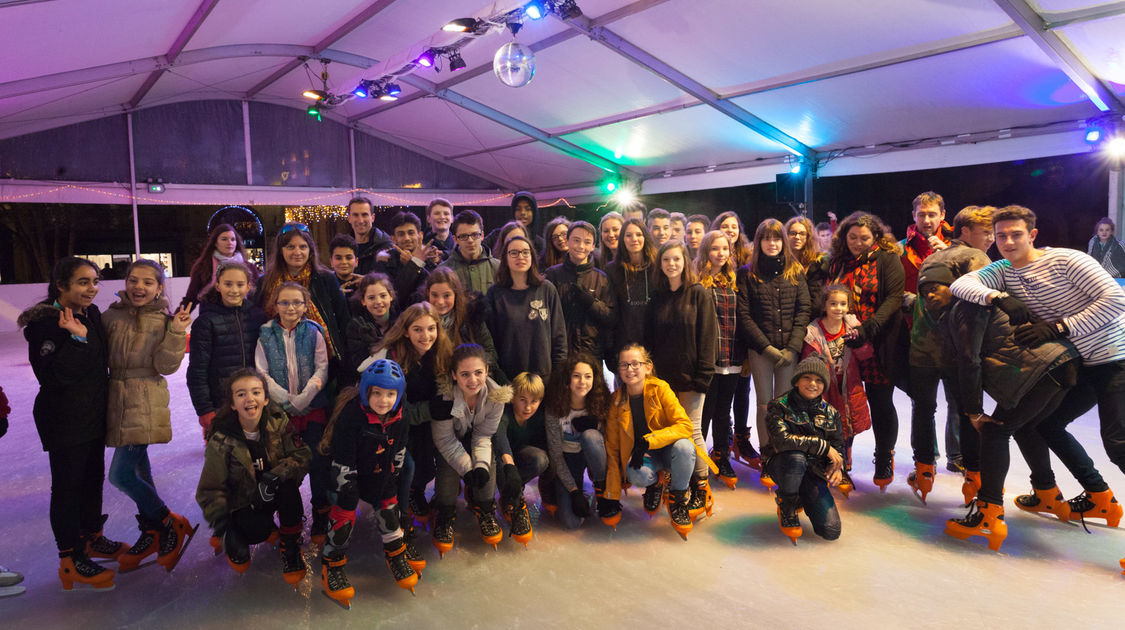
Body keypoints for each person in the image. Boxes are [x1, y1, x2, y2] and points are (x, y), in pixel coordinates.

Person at [950, 205, 1125, 546]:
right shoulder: (1003, 270)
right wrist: (997, 296)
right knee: (1043, 425)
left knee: (1117, 443)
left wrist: (1060, 327)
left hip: (1113, 357)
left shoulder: (1066, 260)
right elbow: (961, 285)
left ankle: (1090, 496)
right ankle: (1099, 497)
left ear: (1032, 235)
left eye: (1016, 235)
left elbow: (1116, 299)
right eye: (1001, 236)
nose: (1008, 242)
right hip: (1078, 362)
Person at [926, 266, 1103, 551]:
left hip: (1041, 369)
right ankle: (1049, 492)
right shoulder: (975, 307)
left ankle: (988, 515)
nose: (930, 294)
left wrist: (973, 410)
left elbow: (970, 361)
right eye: (924, 291)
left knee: (995, 432)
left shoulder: (966, 308)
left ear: (955, 287)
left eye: (936, 287)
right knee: (1028, 427)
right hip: (1063, 363)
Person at [19, 257, 124, 590]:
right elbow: (54, 376)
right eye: (82, 282)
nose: (91, 289)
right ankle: (70, 557)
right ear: (61, 286)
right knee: (68, 487)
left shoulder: (90, 314)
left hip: (93, 413)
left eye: (94, 282)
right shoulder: (44, 326)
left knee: (92, 479)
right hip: (64, 418)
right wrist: (77, 340)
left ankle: (92, 537)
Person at [103, 260, 196, 572]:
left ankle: (168, 521)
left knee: (121, 475)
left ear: (159, 288)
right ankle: (153, 531)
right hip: (115, 397)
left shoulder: (163, 320)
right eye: (133, 280)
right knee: (141, 473)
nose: (139, 287)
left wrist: (176, 332)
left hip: (145, 398)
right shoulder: (111, 316)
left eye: (147, 282)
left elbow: (167, 366)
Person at [317, 359, 420, 607]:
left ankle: (395, 553)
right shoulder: (351, 416)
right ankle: (332, 564)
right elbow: (342, 457)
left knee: (389, 504)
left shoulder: (401, 416)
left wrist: (392, 475)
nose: (384, 400)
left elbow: (399, 449)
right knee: (345, 511)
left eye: (390, 394)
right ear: (366, 392)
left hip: (378, 470)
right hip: (347, 471)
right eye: (377, 393)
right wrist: (347, 486)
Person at [195, 369, 311, 585]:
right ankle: (253, 529)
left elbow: (302, 455)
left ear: (266, 399)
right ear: (232, 404)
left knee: (288, 489)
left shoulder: (278, 421)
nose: (249, 398)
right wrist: (224, 530)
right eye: (241, 394)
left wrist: (274, 477)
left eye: (256, 392)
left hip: (272, 492)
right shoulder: (221, 440)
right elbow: (210, 490)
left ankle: (291, 542)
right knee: (254, 533)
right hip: (244, 501)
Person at [907, 205, 994, 491]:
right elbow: (979, 307)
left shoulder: (932, 258)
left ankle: (923, 471)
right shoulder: (976, 257)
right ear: (966, 232)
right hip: (958, 353)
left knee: (923, 410)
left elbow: (924, 303)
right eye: (987, 232)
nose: (992, 239)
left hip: (921, 352)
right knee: (970, 412)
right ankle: (974, 478)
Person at [360, 302, 453, 559]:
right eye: (418, 329)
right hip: (392, 428)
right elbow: (389, 409)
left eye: (431, 329)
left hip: (422, 426)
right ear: (405, 331)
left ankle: (415, 493)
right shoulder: (392, 358)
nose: (426, 336)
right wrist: (429, 410)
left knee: (426, 468)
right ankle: (398, 520)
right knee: (405, 467)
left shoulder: (440, 353)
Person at [827, 212, 906, 490]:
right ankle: (841, 462)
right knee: (842, 403)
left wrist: (868, 328)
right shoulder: (837, 262)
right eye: (852, 237)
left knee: (880, 400)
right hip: (841, 344)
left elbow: (894, 298)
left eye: (864, 238)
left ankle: (884, 455)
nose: (857, 243)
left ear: (875, 238)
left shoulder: (887, 259)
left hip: (877, 343)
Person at [645, 240, 718, 519]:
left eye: (676, 259)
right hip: (662, 381)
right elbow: (649, 340)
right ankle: (666, 480)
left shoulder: (698, 293)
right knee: (665, 431)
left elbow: (708, 337)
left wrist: (703, 377)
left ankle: (700, 485)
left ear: (685, 262)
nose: (671, 264)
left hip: (691, 379)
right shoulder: (657, 297)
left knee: (693, 432)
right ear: (660, 265)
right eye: (666, 260)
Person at [255, 282, 332, 546]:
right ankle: (292, 518)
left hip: (312, 409)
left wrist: (305, 397)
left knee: (318, 462)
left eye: (297, 302)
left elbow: (322, 367)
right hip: (280, 413)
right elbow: (261, 372)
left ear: (305, 305)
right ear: (275, 305)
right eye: (284, 302)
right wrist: (286, 400)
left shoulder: (314, 331)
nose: (291, 308)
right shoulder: (265, 333)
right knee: (284, 463)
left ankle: (322, 510)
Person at [597, 344, 699, 539]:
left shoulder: (660, 388)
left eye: (635, 363)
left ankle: (678, 500)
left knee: (685, 447)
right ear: (618, 369)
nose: (630, 369)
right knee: (636, 474)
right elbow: (611, 447)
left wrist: (649, 441)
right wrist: (611, 493)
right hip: (642, 456)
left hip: (669, 450)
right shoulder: (615, 400)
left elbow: (685, 426)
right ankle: (655, 484)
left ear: (648, 367)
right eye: (624, 365)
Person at [737, 219, 811, 473]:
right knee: (765, 405)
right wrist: (766, 347)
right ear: (758, 242)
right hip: (761, 351)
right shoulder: (747, 273)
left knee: (784, 405)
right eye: (767, 239)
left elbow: (804, 310)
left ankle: (783, 454)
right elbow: (744, 314)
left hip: (789, 351)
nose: (772, 243)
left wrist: (792, 346)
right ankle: (768, 454)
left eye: (777, 238)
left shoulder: (795, 270)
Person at [429, 344, 512, 555]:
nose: (473, 380)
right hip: (450, 443)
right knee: (449, 468)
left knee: (487, 463)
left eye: (478, 373)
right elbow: (446, 440)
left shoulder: (495, 397)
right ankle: (445, 513)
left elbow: (484, 435)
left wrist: (480, 467)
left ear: (487, 371)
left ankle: (485, 508)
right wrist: (467, 469)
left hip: (477, 439)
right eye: (465, 374)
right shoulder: (444, 397)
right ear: (454, 375)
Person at [762, 356, 846, 544]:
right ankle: (787, 503)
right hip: (783, 465)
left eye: (818, 380)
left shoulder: (831, 412)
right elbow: (782, 441)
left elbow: (839, 445)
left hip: (813, 471)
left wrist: (839, 466)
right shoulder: (779, 406)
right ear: (797, 381)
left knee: (831, 531)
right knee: (797, 458)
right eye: (807, 378)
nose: (812, 384)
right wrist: (821, 446)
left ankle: (802, 495)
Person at [259, 222, 351, 380]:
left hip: (324, 360)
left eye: (303, 247)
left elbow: (344, 319)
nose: (297, 252)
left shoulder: (325, 278)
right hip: (278, 360)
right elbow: (259, 319)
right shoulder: (266, 282)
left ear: (310, 250)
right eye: (290, 247)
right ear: (281, 250)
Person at [187, 261, 267, 438]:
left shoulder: (258, 316)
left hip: (253, 401)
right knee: (225, 458)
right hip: (221, 403)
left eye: (240, 285)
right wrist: (205, 409)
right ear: (217, 285)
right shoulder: (206, 322)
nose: (234, 290)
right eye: (228, 284)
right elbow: (197, 370)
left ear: (248, 287)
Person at [801, 284, 870, 484]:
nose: (838, 308)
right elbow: (808, 361)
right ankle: (825, 462)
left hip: (850, 386)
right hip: (826, 388)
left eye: (842, 304)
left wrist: (858, 342)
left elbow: (866, 354)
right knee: (825, 425)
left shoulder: (853, 326)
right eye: (833, 304)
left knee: (847, 425)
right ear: (824, 306)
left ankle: (845, 465)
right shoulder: (814, 330)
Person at [695, 230, 743, 489]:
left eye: (725, 249)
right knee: (704, 412)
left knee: (724, 413)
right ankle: (699, 459)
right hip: (708, 358)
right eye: (715, 248)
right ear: (706, 252)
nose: (721, 253)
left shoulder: (734, 281)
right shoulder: (697, 282)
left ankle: (722, 455)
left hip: (732, 355)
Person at [541, 354, 610, 529]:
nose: (582, 382)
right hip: (568, 459)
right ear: (567, 379)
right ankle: (572, 491)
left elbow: (607, 443)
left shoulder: (601, 402)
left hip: (593, 455)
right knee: (571, 523)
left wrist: (595, 426)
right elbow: (556, 455)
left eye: (588, 376)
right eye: (576, 376)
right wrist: (574, 491)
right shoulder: (555, 407)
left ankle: (602, 486)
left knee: (591, 436)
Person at [485, 235, 567, 380]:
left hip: (543, 377)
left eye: (525, 252)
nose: (520, 257)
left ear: (532, 256)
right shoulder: (495, 294)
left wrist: (558, 374)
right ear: (505, 258)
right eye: (514, 253)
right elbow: (490, 341)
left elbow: (559, 337)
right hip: (508, 377)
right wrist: (498, 375)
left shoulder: (547, 289)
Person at [711, 211, 755, 467]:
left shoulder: (748, 260)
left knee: (742, 390)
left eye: (734, 226)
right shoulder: (713, 258)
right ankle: (723, 436)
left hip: (742, 336)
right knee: (723, 393)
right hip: (721, 338)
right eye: (724, 226)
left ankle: (741, 435)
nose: (730, 230)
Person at [491, 372, 548, 545]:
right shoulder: (504, 412)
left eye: (534, 401)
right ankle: (511, 499)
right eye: (523, 399)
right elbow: (499, 437)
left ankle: (512, 494)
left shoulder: (539, 417)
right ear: (513, 397)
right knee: (498, 462)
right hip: (500, 458)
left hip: (521, 456)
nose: (528, 407)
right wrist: (510, 467)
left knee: (541, 459)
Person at [545, 220, 614, 362]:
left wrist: (591, 302)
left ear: (593, 246)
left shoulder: (601, 278)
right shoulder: (552, 275)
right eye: (576, 240)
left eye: (587, 242)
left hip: (591, 354)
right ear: (568, 241)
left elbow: (611, 317)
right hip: (559, 354)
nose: (581, 246)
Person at [425, 267, 506, 383]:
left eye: (447, 295)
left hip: (472, 382)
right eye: (435, 295)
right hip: (436, 384)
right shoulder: (421, 318)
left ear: (456, 294)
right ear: (428, 293)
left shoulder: (472, 316)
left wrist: (472, 368)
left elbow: (490, 353)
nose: (440, 301)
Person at [606, 218, 659, 362]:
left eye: (638, 234)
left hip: (656, 343)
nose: (634, 239)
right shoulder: (612, 270)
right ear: (622, 239)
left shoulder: (658, 267)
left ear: (645, 237)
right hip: (624, 345)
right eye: (628, 235)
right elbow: (611, 312)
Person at [180, 223, 255, 312]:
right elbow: (191, 297)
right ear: (215, 243)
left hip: (242, 315)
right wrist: (179, 315)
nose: (229, 243)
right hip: (211, 315)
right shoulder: (204, 266)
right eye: (224, 239)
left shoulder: (249, 267)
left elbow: (257, 295)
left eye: (233, 239)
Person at [373, 211, 439, 304]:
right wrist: (414, 265)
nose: (407, 238)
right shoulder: (384, 261)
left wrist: (415, 263)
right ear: (393, 239)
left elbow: (433, 288)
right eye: (401, 234)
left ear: (420, 235)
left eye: (411, 233)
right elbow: (395, 297)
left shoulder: (431, 258)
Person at [899, 191, 953, 300]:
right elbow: (892, 289)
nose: (926, 221)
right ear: (914, 215)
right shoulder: (899, 249)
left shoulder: (956, 245)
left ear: (942, 215)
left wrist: (950, 255)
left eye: (932, 215)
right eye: (921, 215)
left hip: (949, 313)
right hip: (912, 314)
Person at [439, 209, 500, 295]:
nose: (470, 240)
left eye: (475, 235)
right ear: (455, 239)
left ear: (482, 235)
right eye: (464, 236)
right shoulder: (443, 270)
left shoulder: (498, 268)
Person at [345, 273, 397, 373]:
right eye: (371, 298)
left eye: (383, 296)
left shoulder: (401, 321)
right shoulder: (356, 326)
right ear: (363, 301)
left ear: (391, 296)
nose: (378, 301)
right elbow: (360, 365)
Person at [785, 215, 827, 317]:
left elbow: (817, 299)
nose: (797, 237)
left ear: (809, 237)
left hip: (814, 319)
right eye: (793, 233)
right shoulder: (782, 262)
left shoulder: (818, 262)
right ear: (786, 235)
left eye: (802, 234)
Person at [346, 196, 393, 274]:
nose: (360, 220)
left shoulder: (386, 246)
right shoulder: (344, 246)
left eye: (364, 215)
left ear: (372, 218)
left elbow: (391, 280)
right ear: (349, 218)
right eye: (355, 215)